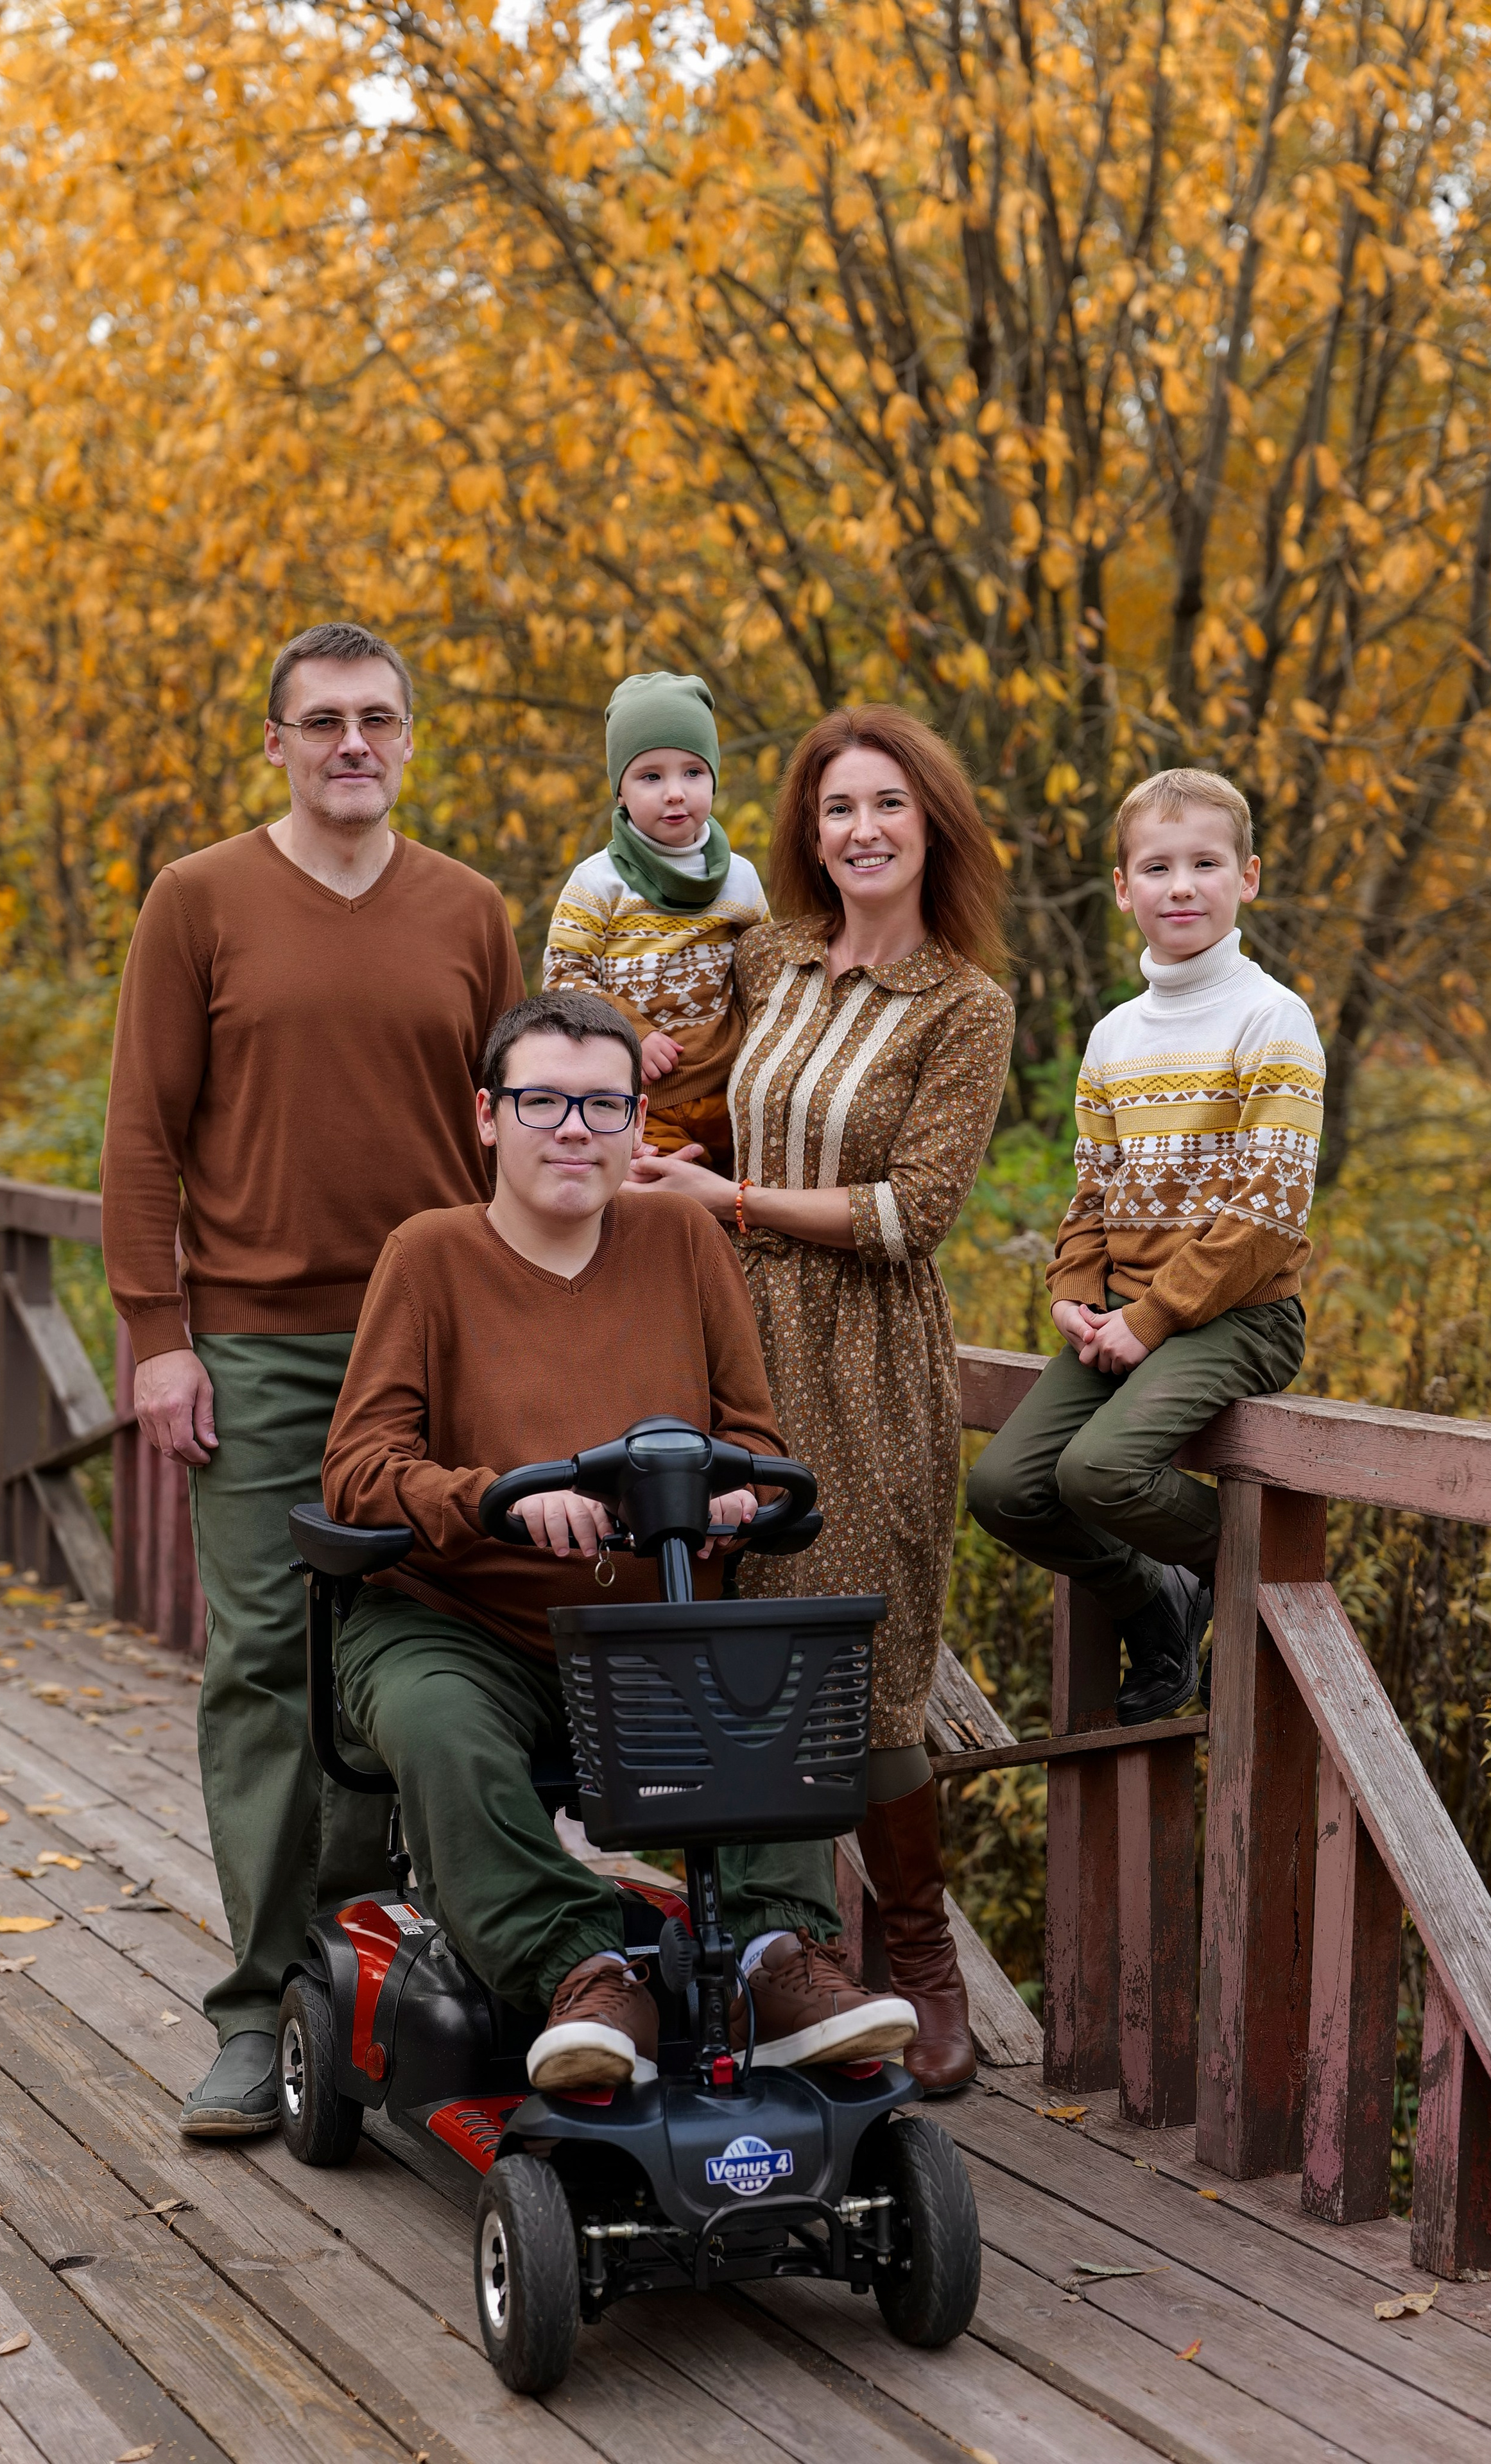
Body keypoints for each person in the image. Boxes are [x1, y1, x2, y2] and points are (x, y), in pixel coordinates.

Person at [320, 989, 918, 2089]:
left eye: (603, 1105)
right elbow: (357, 1471)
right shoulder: (429, 1255)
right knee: (441, 1726)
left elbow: (753, 1436)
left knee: (772, 1688)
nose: (574, 1130)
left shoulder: (684, 1238)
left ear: (637, 1122)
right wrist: (495, 1500)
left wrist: (738, 1489)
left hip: (653, 1622)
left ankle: (781, 1957)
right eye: (542, 1102)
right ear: (488, 1116)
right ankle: (582, 1970)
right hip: (462, 1622)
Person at [101, 620, 524, 2137]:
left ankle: (379, 1983)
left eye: (378, 718)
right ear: (276, 742)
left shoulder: (470, 911)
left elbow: (519, 1125)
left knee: (426, 1658)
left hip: (436, 1347)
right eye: (324, 719)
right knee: (271, 1670)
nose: (353, 742)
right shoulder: (200, 899)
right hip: (259, 1348)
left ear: (409, 737)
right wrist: (158, 1333)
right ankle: (258, 2003)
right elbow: (142, 1129)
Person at [623, 706, 1014, 2096]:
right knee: (723, 1639)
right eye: (838, 807)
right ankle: (769, 1953)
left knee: (867, 1662)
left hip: (863, 1354)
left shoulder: (964, 1005)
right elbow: (666, 1052)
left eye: (887, 805)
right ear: (807, 831)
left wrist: (727, 1200)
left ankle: (920, 1957)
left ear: (931, 826)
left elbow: (915, 1212)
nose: (862, 830)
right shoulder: (767, 957)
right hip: (720, 1333)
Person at [967, 767, 1323, 1721]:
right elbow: (1094, 1188)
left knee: (1099, 1472)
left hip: (1241, 1316)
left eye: (1205, 864)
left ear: (1247, 877)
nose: (1181, 887)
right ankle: (1155, 1596)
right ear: (1123, 889)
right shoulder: (1116, 1035)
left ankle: (1261, 1565)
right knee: (1004, 1488)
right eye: (1157, 868)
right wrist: (1074, 1291)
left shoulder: (1272, 1018)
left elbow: (1268, 1211)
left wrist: (1154, 1318)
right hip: (1126, 1316)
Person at [544, 671, 768, 1170]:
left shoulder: (740, 879)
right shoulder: (597, 883)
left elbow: (766, 979)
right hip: (642, 1100)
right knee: (662, 1201)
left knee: (740, 1206)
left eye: (693, 772)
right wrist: (632, 1034)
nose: (675, 793)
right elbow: (563, 980)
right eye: (651, 777)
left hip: (733, 1092)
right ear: (620, 791)